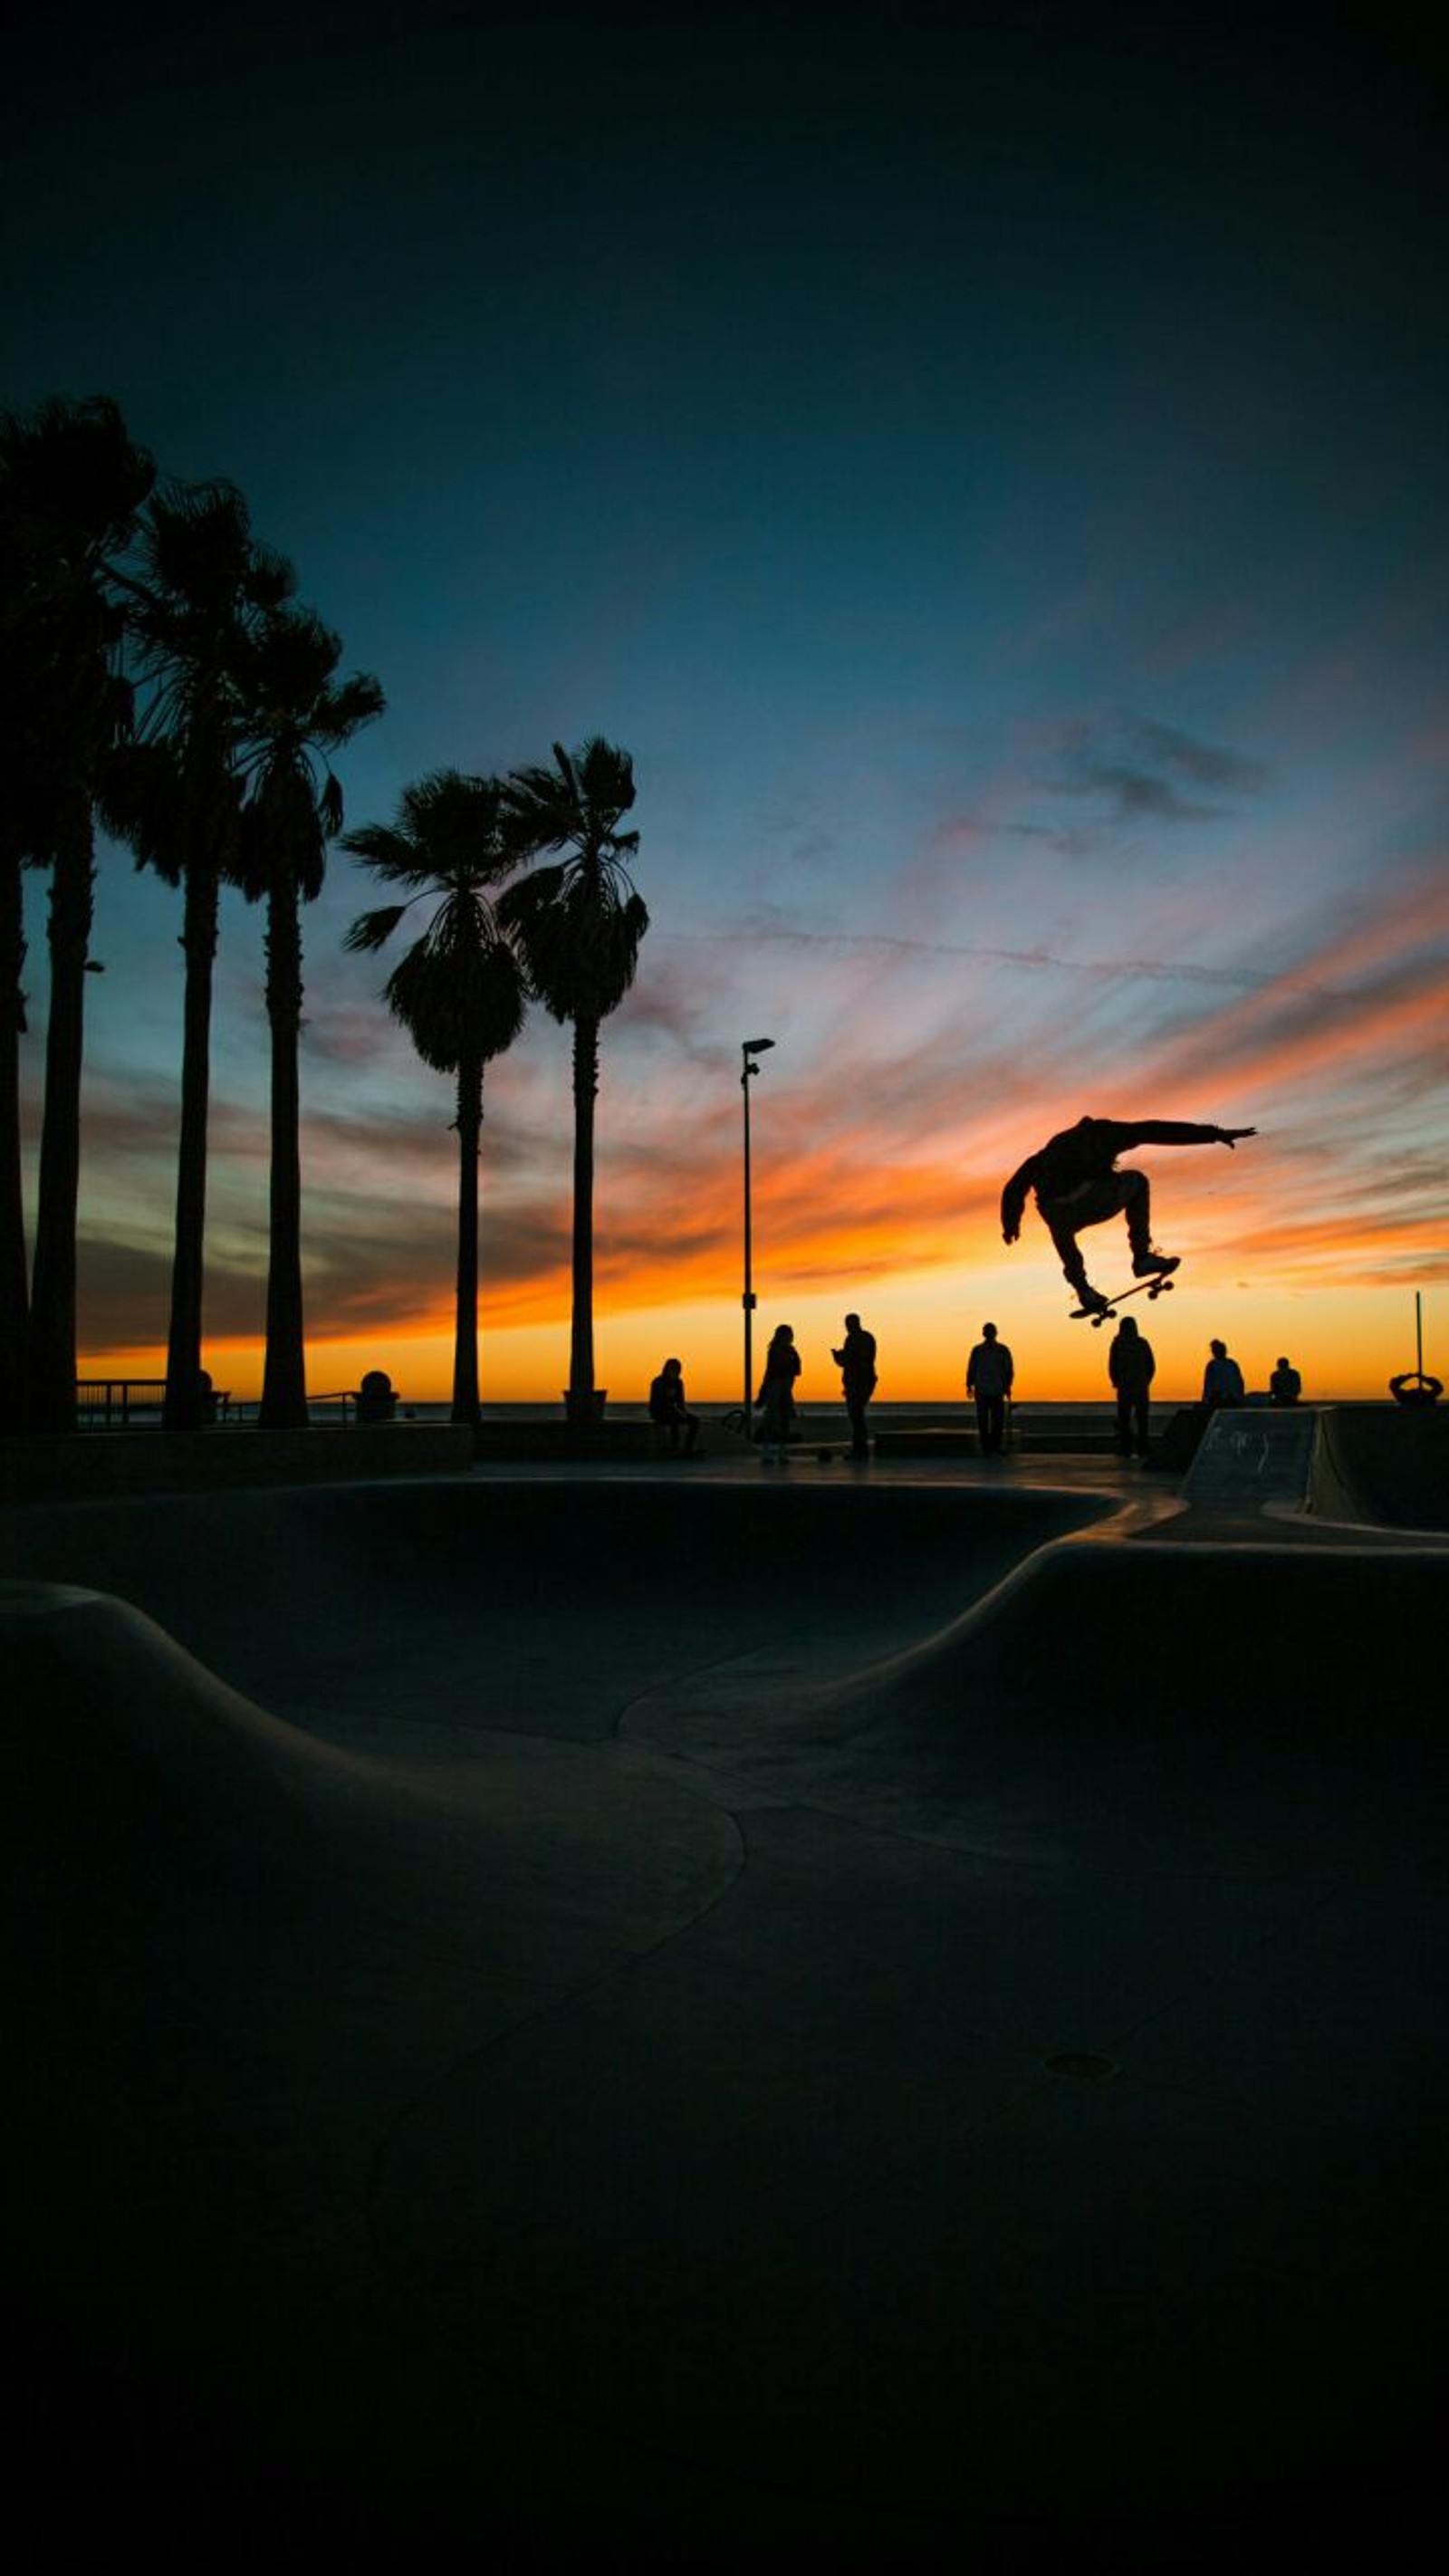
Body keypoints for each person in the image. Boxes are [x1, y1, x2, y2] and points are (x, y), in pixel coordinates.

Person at [1001, 1114, 1256, 1316]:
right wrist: (1214, 1134)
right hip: (1089, 1196)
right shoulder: (1105, 1133)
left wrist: (1010, 1223)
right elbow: (1154, 1130)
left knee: (1061, 1231)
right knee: (1137, 1181)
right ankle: (1142, 1257)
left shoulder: (1043, 1156)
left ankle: (1083, 1290)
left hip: (1054, 1210)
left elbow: (1015, 1187)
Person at [1108, 1312, 1155, 1458]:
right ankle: (1142, 1448)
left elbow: (1112, 1365)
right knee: (1141, 1421)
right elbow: (1151, 1366)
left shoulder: (1118, 1344)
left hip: (1126, 1388)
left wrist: (1116, 1381)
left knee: (1126, 1420)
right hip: (1139, 1388)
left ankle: (1126, 1448)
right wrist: (1145, 1381)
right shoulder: (1142, 1343)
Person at [831, 1312, 878, 1458]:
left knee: (856, 1417)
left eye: (848, 1324)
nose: (847, 1327)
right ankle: (860, 1449)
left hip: (857, 1383)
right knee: (858, 1416)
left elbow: (849, 1361)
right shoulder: (868, 1337)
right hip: (866, 1381)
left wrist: (837, 1357)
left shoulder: (853, 1338)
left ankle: (860, 1450)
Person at [966, 1321, 1014, 1456]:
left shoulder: (1003, 1350)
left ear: (995, 1333)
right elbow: (971, 1368)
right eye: (986, 1331)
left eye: (990, 1330)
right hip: (982, 1391)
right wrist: (969, 1385)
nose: (988, 1333)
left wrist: (1008, 1386)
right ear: (983, 1333)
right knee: (983, 1422)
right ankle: (987, 1448)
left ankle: (995, 1447)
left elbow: (1009, 1370)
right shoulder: (977, 1350)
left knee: (997, 1421)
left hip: (997, 1390)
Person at [755, 1323, 801, 1464]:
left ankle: (781, 1451)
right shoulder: (775, 1350)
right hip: (775, 1386)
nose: (791, 1337)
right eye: (789, 1335)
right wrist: (763, 1391)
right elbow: (770, 1371)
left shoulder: (791, 1351)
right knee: (772, 1419)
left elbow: (797, 1371)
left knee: (784, 1420)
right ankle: (767, 1451)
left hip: (785, 1387)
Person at [648, 1356, 700, 1454]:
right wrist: (674, 1411)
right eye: (673, 1370)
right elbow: (657, 1403)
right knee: (674, 1418)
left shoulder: (679, 1383)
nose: (675, 1372)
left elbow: (681, 1402)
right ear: (667, 1369)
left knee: (695, 1420)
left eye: (677, 1370)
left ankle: (688, 1447)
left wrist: (684, 1413)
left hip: (674, 1412)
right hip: (658, 1412)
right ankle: (674, 1446)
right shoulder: (658, 1382)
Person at [1202, 1339, 1245, 1408]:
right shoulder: (1213, 1365)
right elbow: (1208, 1386)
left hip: (1230, 1400)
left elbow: (1239, 1383)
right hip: (1221, 1399)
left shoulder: (1231, 1364)